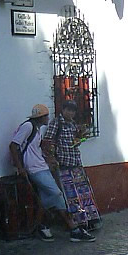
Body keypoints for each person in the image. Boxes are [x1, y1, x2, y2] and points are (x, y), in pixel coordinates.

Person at [8, 103, 89, 241]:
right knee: (57, 194)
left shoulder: (37, 130)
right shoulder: (28, 127)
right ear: (40, 117)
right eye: (45, 116)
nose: (47, 119)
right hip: (34, 168)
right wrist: (21, 168)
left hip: (42, 166)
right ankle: (73, 228)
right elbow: (13, 145)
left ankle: (42, 226)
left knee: (46, 200)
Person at [43, 100, 100, 238]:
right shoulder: (57, 123)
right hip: (62, 164)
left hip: (75, 162)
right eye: (68, 110)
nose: (70, 113)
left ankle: (88, 219)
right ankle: (74, 222)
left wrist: (80, 137)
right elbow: (48, 141)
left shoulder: (73, 124)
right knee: (69, 196)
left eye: (73, 111)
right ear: (63, 110)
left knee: (82, 193)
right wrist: (52, 159)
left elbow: (75, 141)